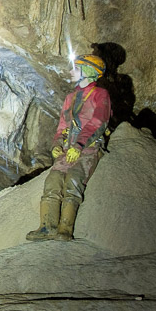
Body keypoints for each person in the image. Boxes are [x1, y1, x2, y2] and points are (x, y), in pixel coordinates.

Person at [27, 53, 111, 242]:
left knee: (74, 180)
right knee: (53, 180)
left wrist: (80, 145)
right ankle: (47, 226)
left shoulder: (100, 95)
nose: (72, 72)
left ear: (88, 72)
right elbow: (63, 126)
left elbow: (99, 121)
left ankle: (65, 229)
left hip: (88, 148)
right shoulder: (71, 98)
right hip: (68, 149)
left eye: (76, 68)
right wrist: (57, 144)